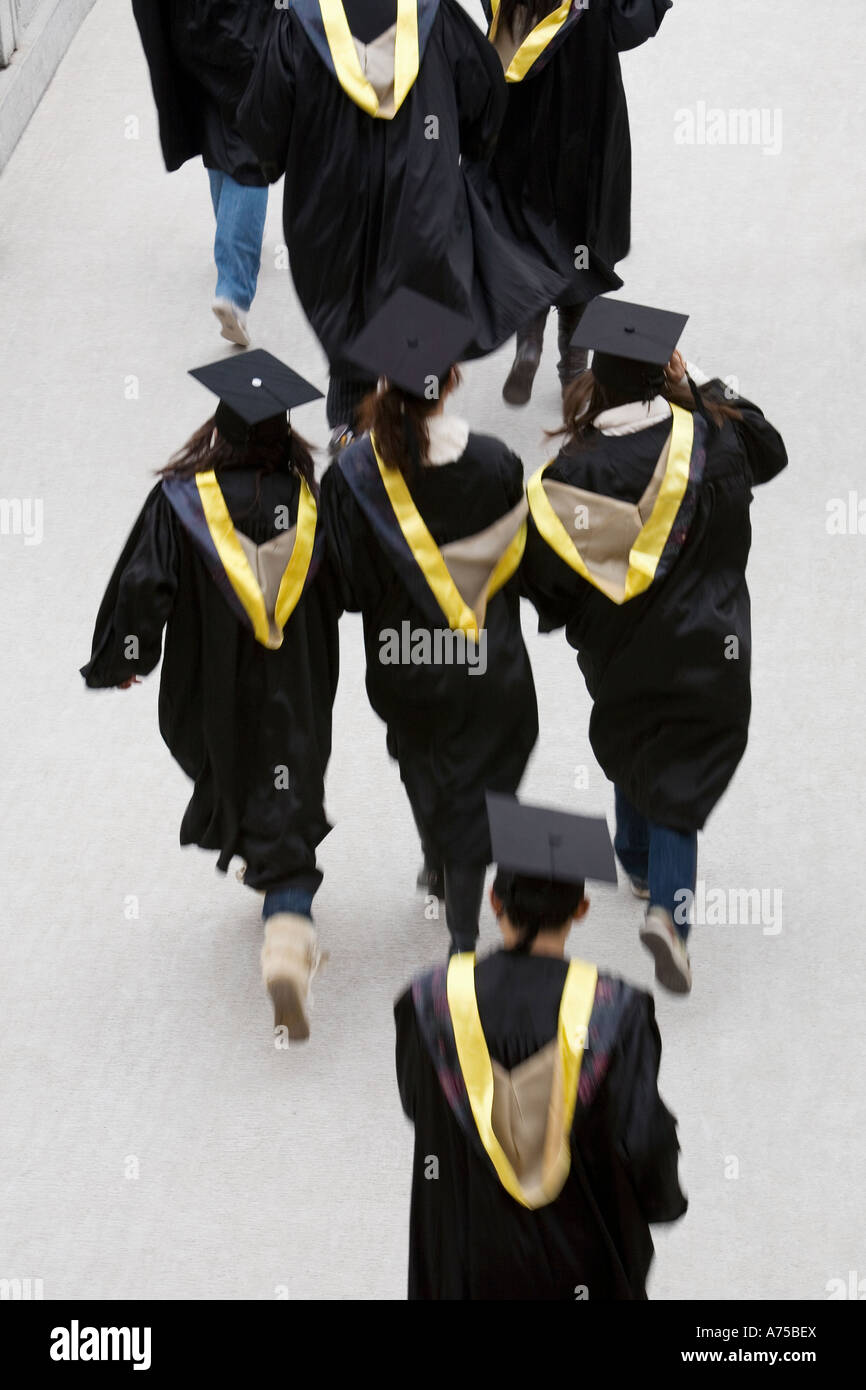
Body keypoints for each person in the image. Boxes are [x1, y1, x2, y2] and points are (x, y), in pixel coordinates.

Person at [521, 297, 788, 994]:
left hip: (621, 651)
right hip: (711, 641)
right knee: (682, 768)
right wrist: (697, 380)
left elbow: (545, 583)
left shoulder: (572, 473)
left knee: (636, 731)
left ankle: (635, 860)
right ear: (664, 372)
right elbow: (772, 446)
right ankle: (670, 914)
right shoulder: (716, 439)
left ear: (594, 381)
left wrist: (580, 618)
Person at [80, 351, 340, 1039]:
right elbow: (349, 586)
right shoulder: (312, 503)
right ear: (284, 433)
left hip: (210, 690)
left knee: (238, 764)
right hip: (298, 684)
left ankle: (285, 928)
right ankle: (286, 924)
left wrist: (123, 658)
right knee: (286, 781)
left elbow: (144, 586)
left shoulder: (180, 503)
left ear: (219, 429)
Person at [237, 0, 592, 449]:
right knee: (416, 320)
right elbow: (483, 92)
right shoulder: (432, 15)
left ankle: (352, 440)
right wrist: (468, 145)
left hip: (330, 214)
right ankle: (417, 445)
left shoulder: (299, 21)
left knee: (350, 321)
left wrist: (278, 157)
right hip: (422, 205)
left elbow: (263, 128)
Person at [395, 793, 687, 1300]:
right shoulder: (617, 1011)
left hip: (465, 1258)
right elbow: (643, 1138)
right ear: (581, 909)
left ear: (494, 902)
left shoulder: (426, 1004)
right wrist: (661, 1202)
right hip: (581, 1258)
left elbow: (420, 1106)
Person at [320, 289, 538, 954]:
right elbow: (518, 562)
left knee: (421, 761)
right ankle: (464, 920)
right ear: (454, 379)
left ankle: (439, 859)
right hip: (486, 659)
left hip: (404, 661)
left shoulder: (353, 475)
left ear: (382, 382)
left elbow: (347, 586)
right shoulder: (499, 463)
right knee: (478, 781)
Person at [473, 0, 672, 405]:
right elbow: (627, 25)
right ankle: (574, 370)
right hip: (588, 108)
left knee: (527, 227)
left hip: (520, 107)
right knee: (584, 236)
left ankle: (529, 344)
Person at [131, 1, 271, 347]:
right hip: (237, 21)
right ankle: (233, 289)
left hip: (182, 21)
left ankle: (231, 234)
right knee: (252, 146)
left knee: (214, 120)